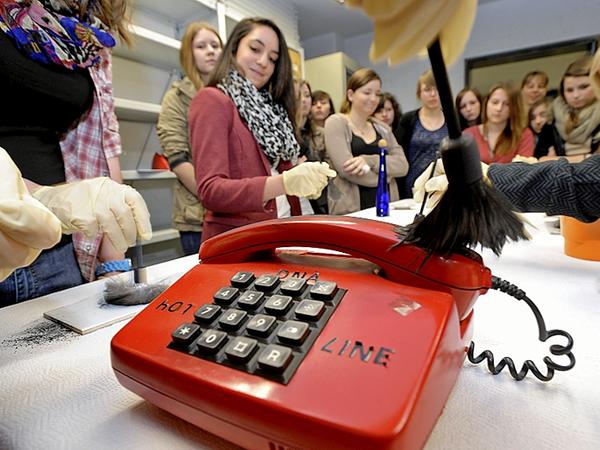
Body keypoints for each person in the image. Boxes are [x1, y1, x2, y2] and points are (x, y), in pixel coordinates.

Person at [0, 0, 151, 304]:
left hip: (58, 252)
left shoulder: (89, 41)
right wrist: (42, 198)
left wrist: (114, 264)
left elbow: (106, 143)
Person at [188, 17, 335, 241]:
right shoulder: (213, 100)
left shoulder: (272, 109)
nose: (263, 61)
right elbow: (211, 190)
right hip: (239, 242)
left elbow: (270, 170)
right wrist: (284, 182)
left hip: (283, 231)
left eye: (273, 58)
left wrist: (298, 173)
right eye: (255, 49)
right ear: (235, 48)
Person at [157, 22, 222, 255]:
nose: (211, 51)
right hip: (198, 215)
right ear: (189, 53)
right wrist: (217, 196)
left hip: (239, 212)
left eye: (215, 45)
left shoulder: (234, 94)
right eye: (201, 46)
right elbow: (177, 158)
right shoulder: (176, 98)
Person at [323, 68, 408, 215]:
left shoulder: (383, 128)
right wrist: (386, 176)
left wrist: (369, 161)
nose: (374, 99)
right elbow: (347, 170)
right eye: (367, 92)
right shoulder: (336, 123)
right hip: (351, 213)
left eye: (377, 94)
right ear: (351, 95)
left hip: (386, 209)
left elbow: (402, 165)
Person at [396, 70, 448, 198]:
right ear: (419, 93)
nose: (433, 94)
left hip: (444, 189)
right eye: (427, 89)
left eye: (437, 89)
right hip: (411, 189)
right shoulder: (407, 120)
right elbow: (398, 153)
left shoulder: (453, 120)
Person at [464, 82, 534, 164]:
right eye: (495, 102)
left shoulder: (524, 135)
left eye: (506, 104)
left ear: (514, 108)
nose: (499, 108)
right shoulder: (468, 134)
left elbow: (524, 170)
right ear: (486, 103)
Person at [551, 55, 600, 160]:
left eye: (583, 87)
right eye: (569, 90)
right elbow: (541, 159)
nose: (576, 95)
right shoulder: (552, 115)